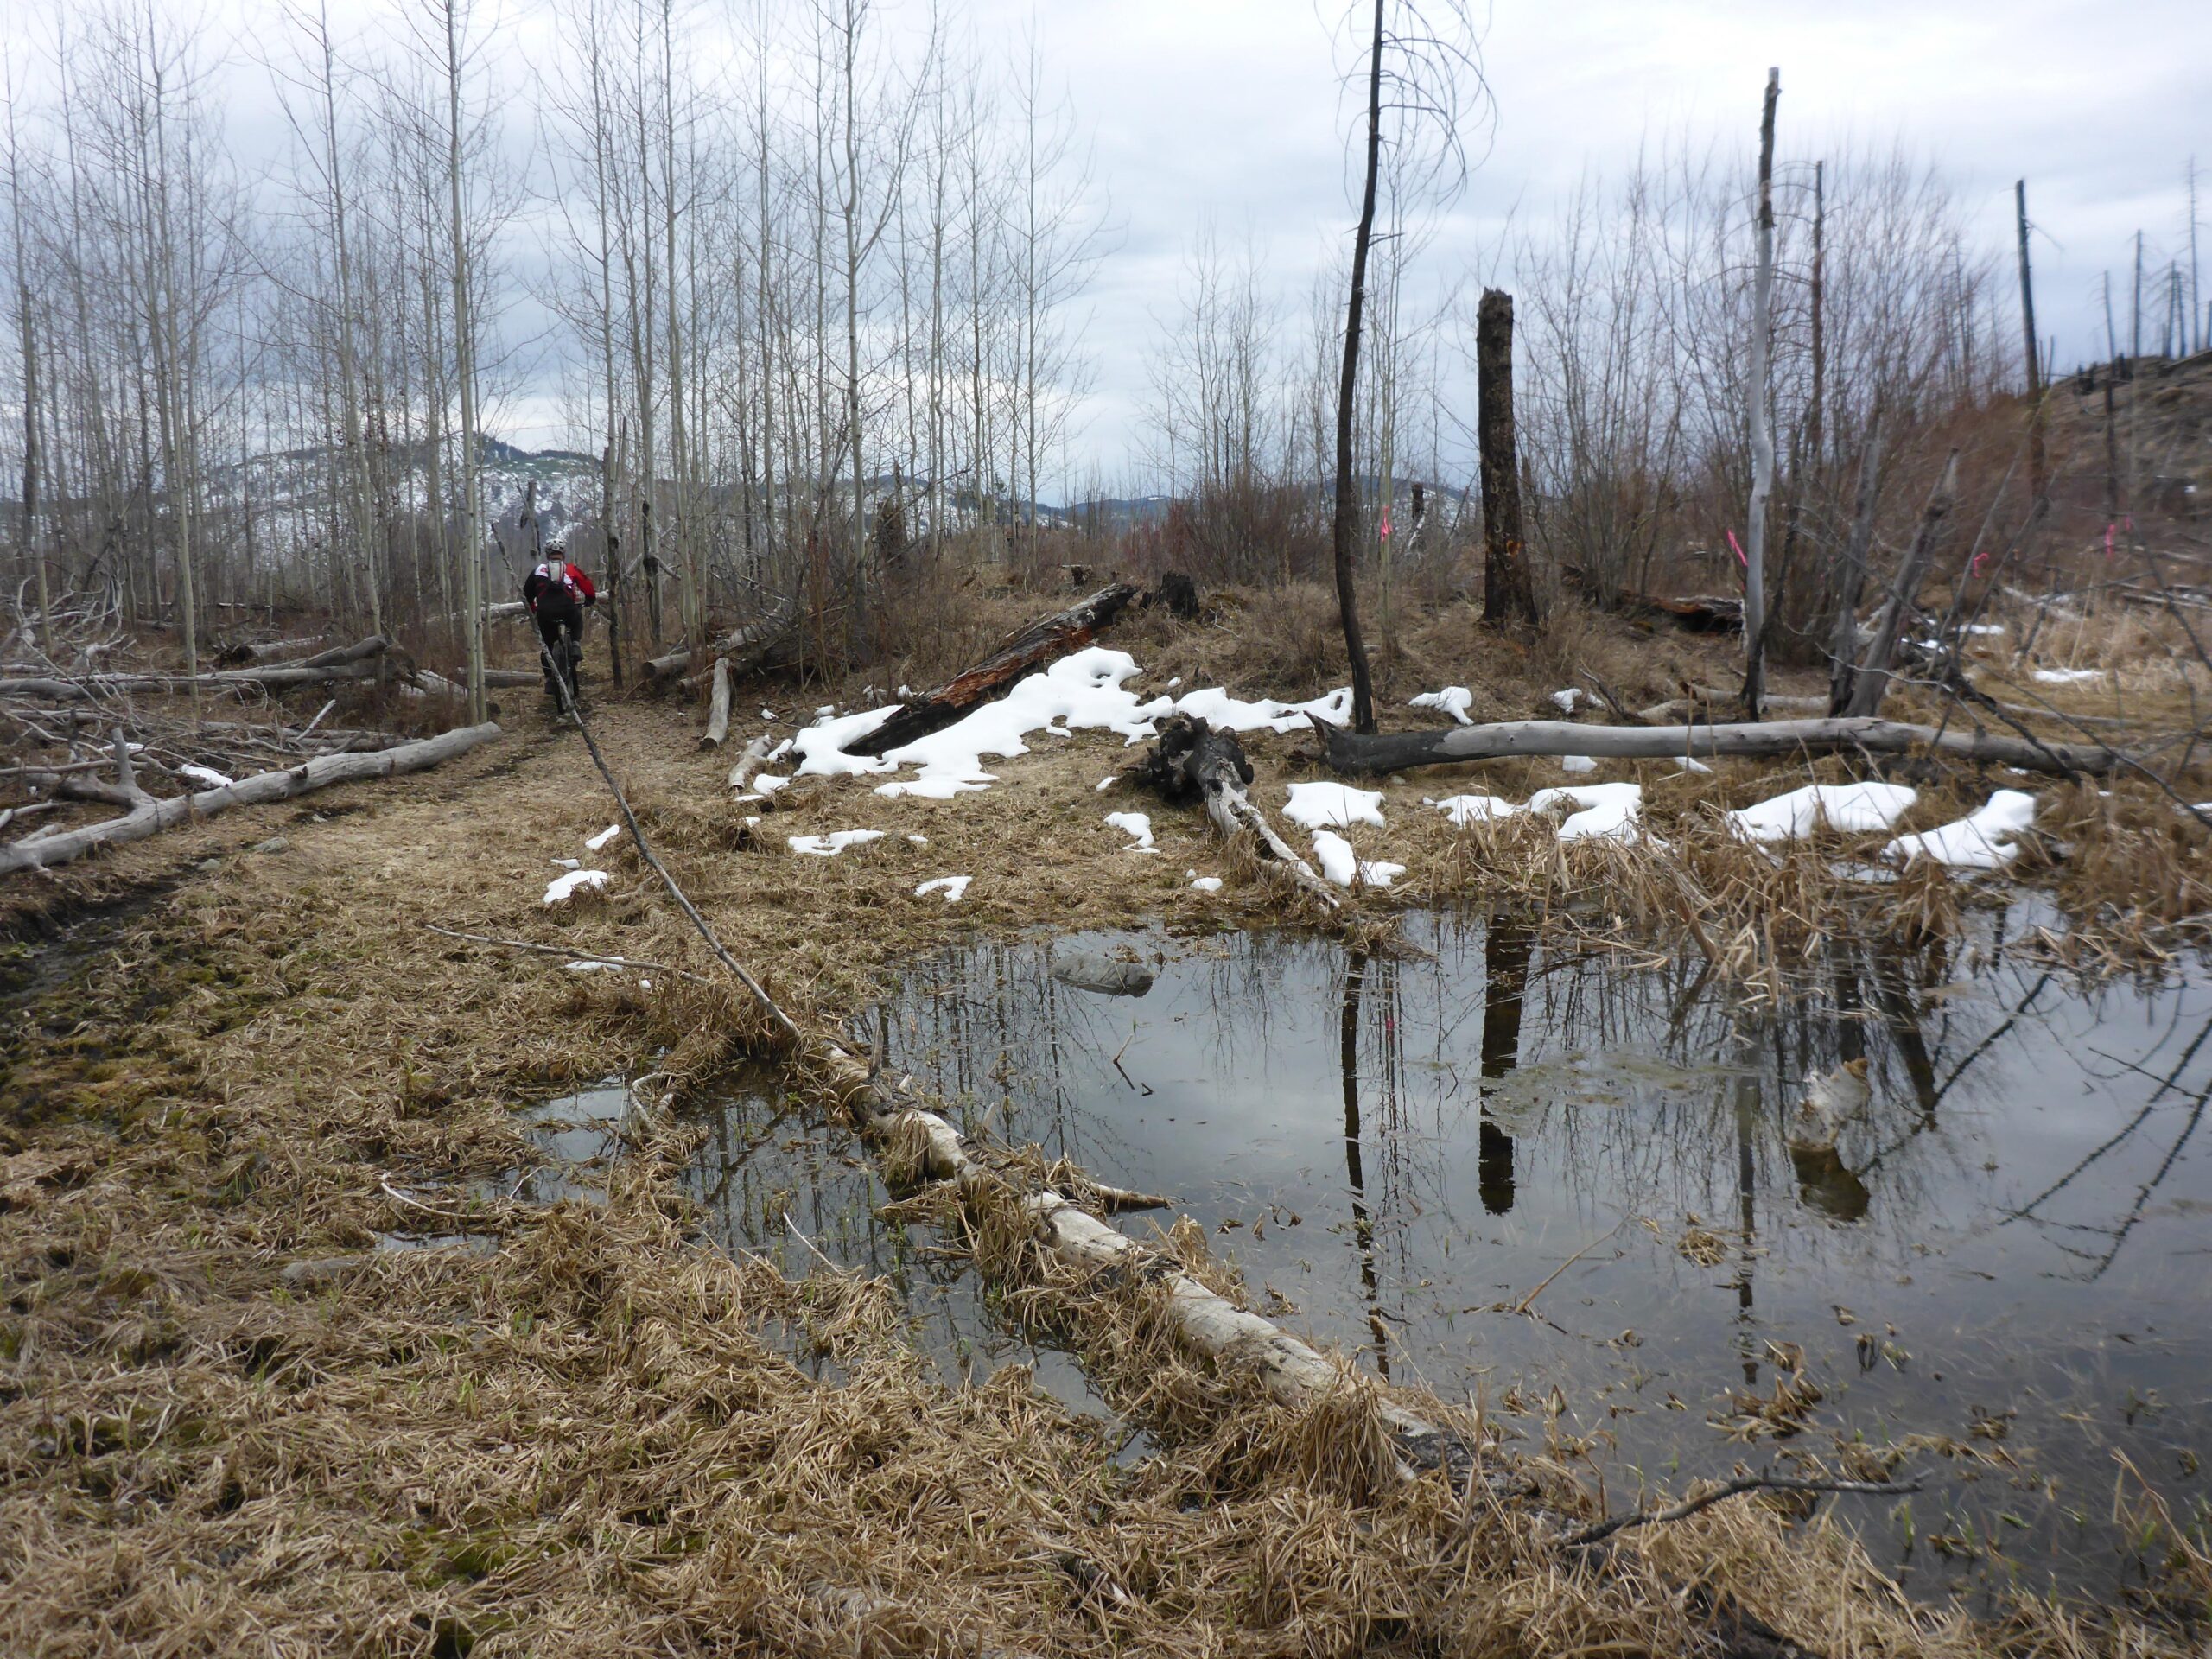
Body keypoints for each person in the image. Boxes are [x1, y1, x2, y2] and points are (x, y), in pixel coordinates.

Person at [522, 545, 597, 700]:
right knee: (576, 620)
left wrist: (534, 608)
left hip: (545, 613)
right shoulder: (571, 568)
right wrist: (590, 599)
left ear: (547, 555)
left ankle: (549, 680)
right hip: (568, 609)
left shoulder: (538, 570)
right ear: (563, 554)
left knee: (547, 647)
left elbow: (527, 592)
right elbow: (587, 586)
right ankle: (575, 644)